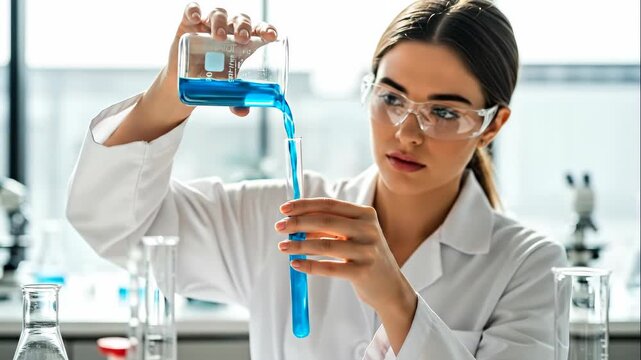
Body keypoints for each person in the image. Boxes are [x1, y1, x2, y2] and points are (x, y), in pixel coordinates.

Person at [66, 0, 567, 359]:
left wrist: (396, 298)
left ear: (492, 124)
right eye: (391, 98)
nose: (407, 133)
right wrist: (171, 92)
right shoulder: (283, 214)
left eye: (443, 112)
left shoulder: (528, 267)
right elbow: (117, 228)